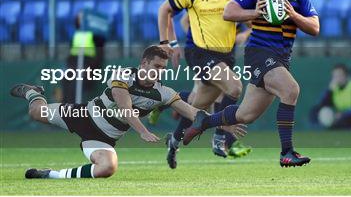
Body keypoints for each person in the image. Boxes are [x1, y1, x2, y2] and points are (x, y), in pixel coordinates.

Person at [182, 0, 320, 167]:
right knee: (290, 89)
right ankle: (287, 152)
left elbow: (315, 27)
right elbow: (229, 12)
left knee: (246, 115)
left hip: (282, 58)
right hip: (259, 53)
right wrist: (255, 13)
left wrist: (292, 14)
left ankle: (203, 122)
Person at [10, 46, 206, 179]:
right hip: (82, 115)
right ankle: (32, 92)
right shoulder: (122, 75)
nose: (159, 71)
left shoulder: (164, 93)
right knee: (36, 112)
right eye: (156, 66)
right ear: (144, 63)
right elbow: (125, 108)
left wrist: (225, 120)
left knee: (108, 168)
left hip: (103, 138)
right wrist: (142, 131)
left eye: (163, 68)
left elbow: (193, 113)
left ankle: (49, 175)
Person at [151, 0, 252, 162]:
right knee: (234, 87)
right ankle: (221, 136)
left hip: (226, 55)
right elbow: (164, 10)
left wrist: (239, 3)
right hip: (201, 54)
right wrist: (167, 43)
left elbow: (244, 18)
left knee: (197, 106)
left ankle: (175, 141)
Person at [310, 64, 351, 129]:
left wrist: (343, 114)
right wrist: (329, 91)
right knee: (315, 111)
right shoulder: (334, 88)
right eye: (335, 76)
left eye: (339, 75)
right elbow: (322, 104)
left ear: (346, 76)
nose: (337, 78)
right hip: (341, 117)